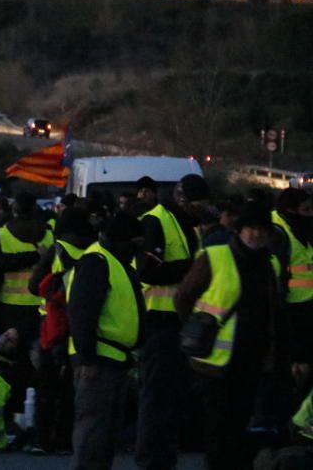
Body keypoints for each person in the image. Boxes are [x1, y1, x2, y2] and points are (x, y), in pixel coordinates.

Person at [174, 202, 286, 470]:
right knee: (218, 431)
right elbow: (183, 297)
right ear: (239, 230)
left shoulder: (269, 264)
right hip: (215, 362)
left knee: (238, 428)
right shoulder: (215, 257)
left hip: (251, 361)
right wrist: (198, 327)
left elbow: (272, 312)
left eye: (262, 230)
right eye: (251, 229)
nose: (256, 235)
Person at [67, 213, 146, 470]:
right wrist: (88, 358)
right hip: (99, 361)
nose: (138, 247)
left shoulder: (114, 261)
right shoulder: (98, 262)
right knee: (93, 432)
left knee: (105, 433)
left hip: (115, 359)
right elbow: (82, 314)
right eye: (134, 241)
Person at [133, 175, 197, 470]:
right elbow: (146, 271)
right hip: (157, 320)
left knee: (170, 396)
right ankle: (151, 458)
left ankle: (164, 455)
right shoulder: (155, 221)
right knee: (156, 396)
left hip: (176, 320)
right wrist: (191, 269)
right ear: (183, 199)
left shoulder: (181, 222)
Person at [28, 207, 96, 454]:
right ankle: (67, 439)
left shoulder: (56, 250)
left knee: (47, 384)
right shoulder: (95, 249)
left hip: (53, 325)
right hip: (82, 324)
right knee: (72, 387)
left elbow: (34, 285)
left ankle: (42, 439)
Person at [0, 192, 53, 348]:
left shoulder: (1, 234)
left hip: (9, 302)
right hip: (40, 301)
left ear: (14, 209)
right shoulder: (49, 234)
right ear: (35, 208)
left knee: (11, 349)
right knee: (38, 348)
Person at [271, 189, 313, 400]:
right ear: (290, 209)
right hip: (288, 310)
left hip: (305, 307)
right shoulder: (278, 232)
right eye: (306, 210)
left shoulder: (301, 229)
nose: (310, 213)